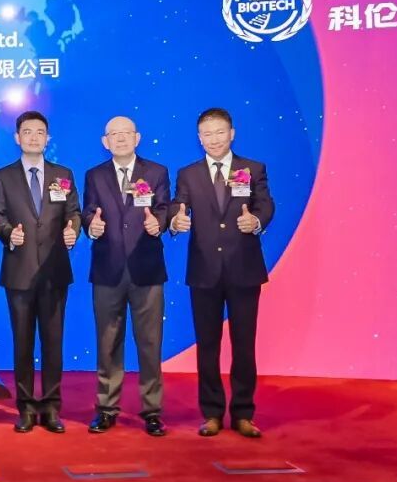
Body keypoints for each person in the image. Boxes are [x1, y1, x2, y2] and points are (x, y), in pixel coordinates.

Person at [169, 107, 274, 438]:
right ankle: (212, 413)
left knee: (244, 345)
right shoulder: (188, 174)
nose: (213, 139)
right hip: (204, 271)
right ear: (199, 138)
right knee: (207, 346)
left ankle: (243, 413)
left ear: (232, 134)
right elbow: (177, 205)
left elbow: (265, 204)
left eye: (219, 132)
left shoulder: (252, 169)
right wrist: (175, 221)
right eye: (207, 134)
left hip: (244, 269)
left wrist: (256, 221)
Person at [0, 110, 81, 433]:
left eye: (40, 132)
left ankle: (52, 407)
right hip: (19, 271)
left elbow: (73, 213)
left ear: (47, 137)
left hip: (55, 271)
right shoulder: (3, 176)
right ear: (17, 138)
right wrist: (7, 233)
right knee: (23, 343)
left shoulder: (63, 174)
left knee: (53, 343)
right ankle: (26, 407)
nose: (34, 137)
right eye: (27, 132)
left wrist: (73, 230)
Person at [81, 116, 170, 437]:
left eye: (126, 133)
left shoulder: (157, 172)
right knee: (107, 343)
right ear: (105, 142)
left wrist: (158, 223)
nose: (120, 139)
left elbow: (164, 207)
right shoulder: (94, 175)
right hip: (107, 269)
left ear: (137, 137)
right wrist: (91, 225)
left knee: (150, 343)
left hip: (147, 269)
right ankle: (106, 409)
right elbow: (88, 211)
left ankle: (152, 411)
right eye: (114, 134)